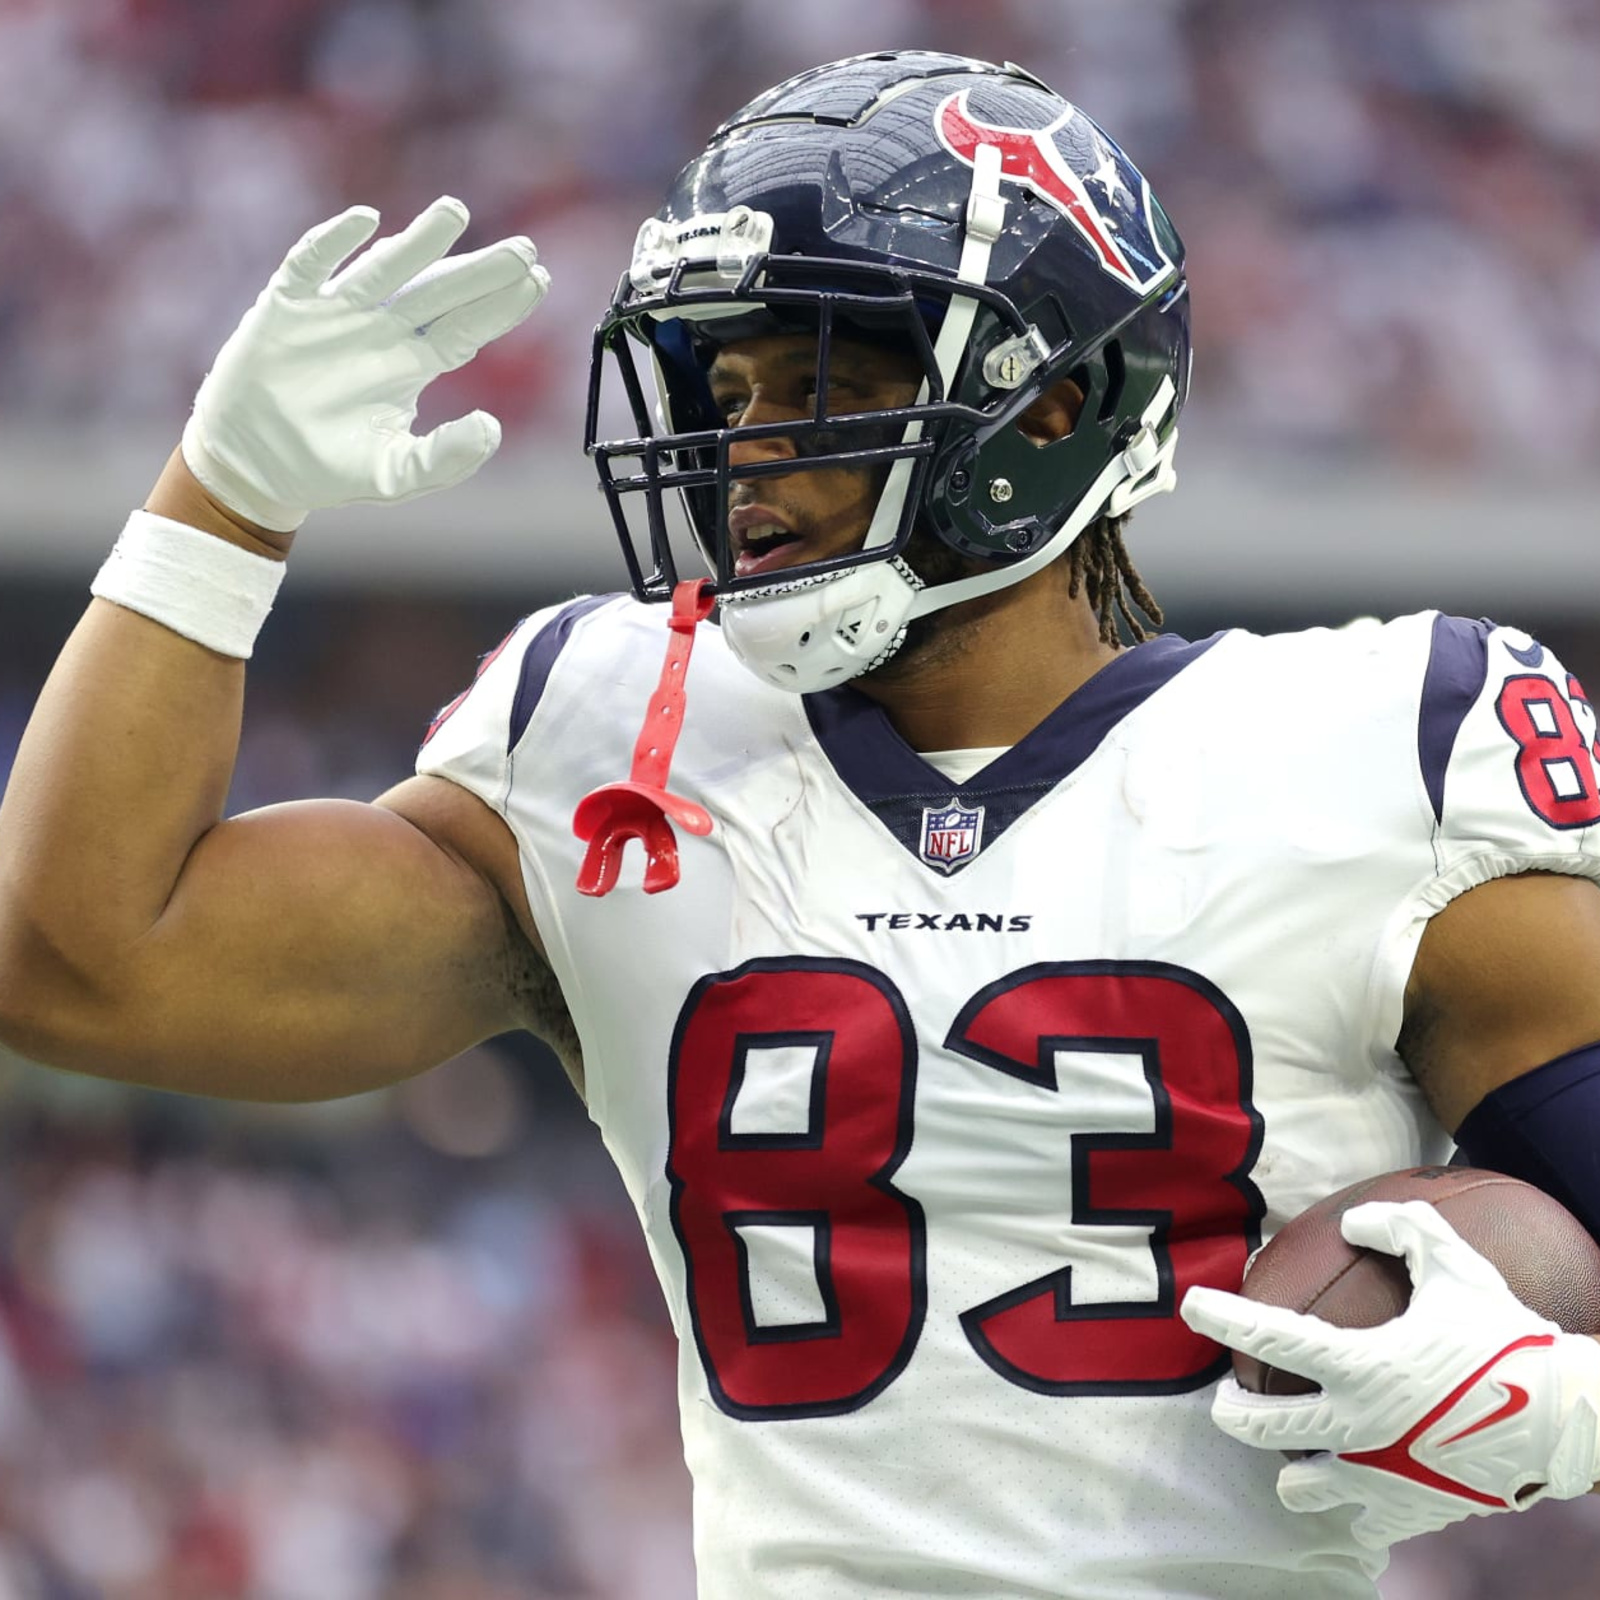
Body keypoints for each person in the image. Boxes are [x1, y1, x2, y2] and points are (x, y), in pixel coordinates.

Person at [4, 46, 1600, 1600]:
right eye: (729, 385)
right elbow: (84, 965)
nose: (745, 447)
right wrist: (222, 495)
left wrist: (1580, 1400)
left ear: (1055, 408)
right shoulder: (613, 733)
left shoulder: (1388, 741)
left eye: (819, 378)